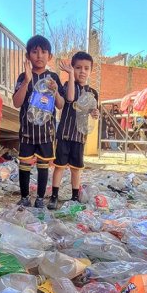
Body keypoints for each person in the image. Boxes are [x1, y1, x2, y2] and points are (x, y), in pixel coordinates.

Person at [12, 35, 65, 208]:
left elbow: (60, 105)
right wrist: (27, 81)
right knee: (25, 164)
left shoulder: (54, 78)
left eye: (43, 52)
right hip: (27, 131)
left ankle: (40, 199)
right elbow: (16, 102)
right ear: (28, 56)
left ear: (50, 56)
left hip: (46, 132)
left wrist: (56, 91)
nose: (39, 55)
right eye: (35, 52)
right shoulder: (23, 76)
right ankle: (25, 197)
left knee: (43, 165)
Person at [48, 51, 99, 210]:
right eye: (78, 68)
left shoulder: (93, 93)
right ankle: (54, 196)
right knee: (60, 166)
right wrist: (70, 75)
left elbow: (92, 110)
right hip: (64, 134)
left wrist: (95, 113)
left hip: (79, 136)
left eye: (86, 68)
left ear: (91, 70)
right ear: (73, 68)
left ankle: (75, 197)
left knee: (76, 169)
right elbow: (69, 98)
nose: (82, 71)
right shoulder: (67, 85)